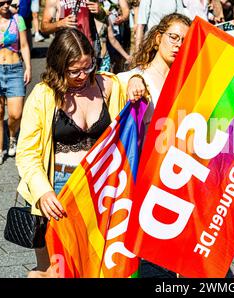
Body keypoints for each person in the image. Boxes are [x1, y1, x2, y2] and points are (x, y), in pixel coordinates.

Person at [15, 28, 126, 271]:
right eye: (74, 70)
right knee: (57, 267)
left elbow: (140, 79)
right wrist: (43, 192)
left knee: (94, 263)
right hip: (59, 187)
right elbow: (27, 152)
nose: (82, 76)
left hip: (100, 186)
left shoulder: (108, 85)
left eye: (87, 67)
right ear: (58, 65)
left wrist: (137, 81)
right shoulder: (44, 95)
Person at [118, 12, 190, 143]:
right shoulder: (131, 77)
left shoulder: (187, 83)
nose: (179, 44)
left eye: (185, 41)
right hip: (142, 158)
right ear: (158, 38)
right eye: (173, 37)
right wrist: (133, 80)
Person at [0, 0, 31, 165]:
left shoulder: (18, 20)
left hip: (15, 70)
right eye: (2, 2)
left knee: (15, 114)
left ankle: (12, 137)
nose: (6, 5)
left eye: (8, 2)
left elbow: (24, 46)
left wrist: (28, 67)